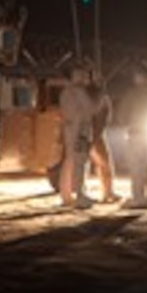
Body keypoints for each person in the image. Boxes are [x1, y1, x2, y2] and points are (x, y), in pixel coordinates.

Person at [109, 65, 147, 209]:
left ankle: (138, 197)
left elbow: (122, 116)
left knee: (137, 167)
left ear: (137, 77)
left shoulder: (132, 94)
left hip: (136, 133)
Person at [57, 65, 98, 209]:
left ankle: (66, 195)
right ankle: (80, 195)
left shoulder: (66, 92)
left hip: (72, 129)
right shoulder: (78, 91)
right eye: (79, 74)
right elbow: (92, 109)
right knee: (80, 162)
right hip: (79, 129)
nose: (83, 77)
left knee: (69, 162)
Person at [87, 76, 120, 203]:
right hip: (96, 134)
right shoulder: (101, 99)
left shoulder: (90, 98)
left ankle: (107, 192)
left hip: (92, 133)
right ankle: (108, 192)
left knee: (98, 164)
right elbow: (104, 118)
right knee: (105, 164)